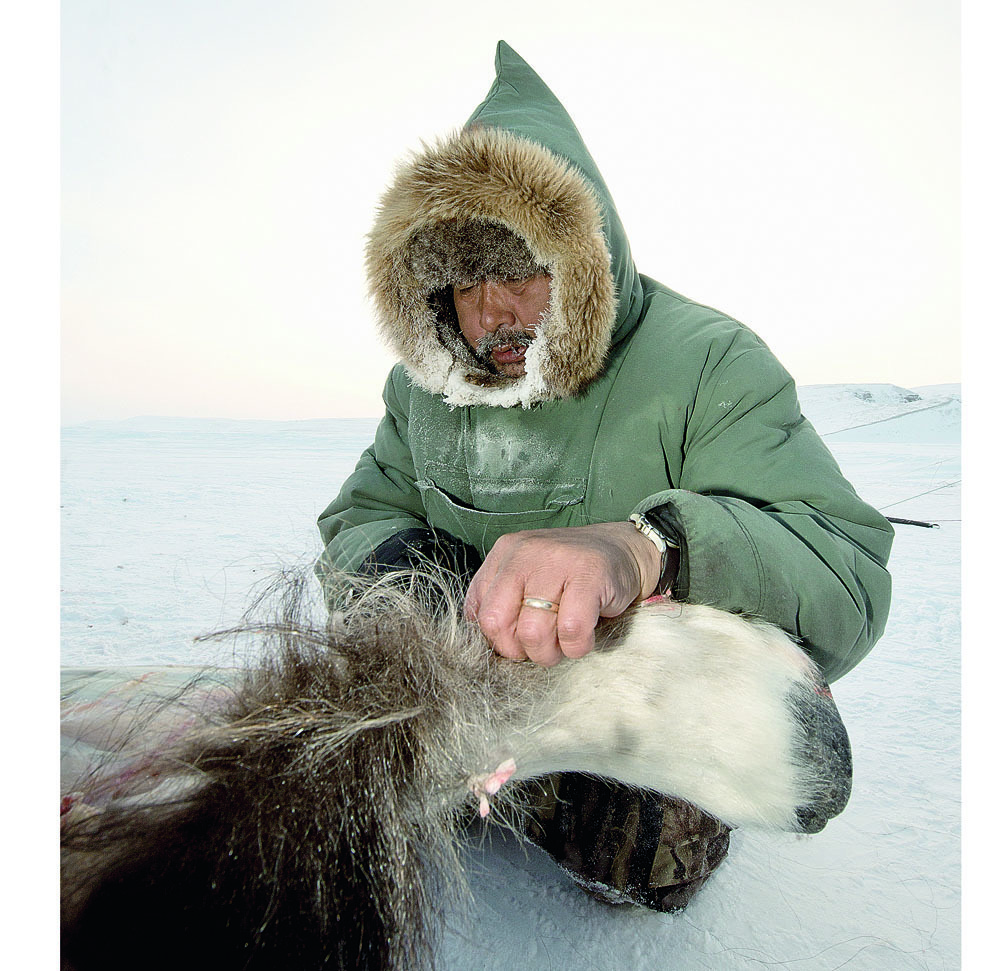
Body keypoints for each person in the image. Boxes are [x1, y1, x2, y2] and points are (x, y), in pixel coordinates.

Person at [318, 41, 893, 912]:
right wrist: (416, 583)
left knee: (652, 847)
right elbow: (360, 514)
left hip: (624, 700)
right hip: (466, 686)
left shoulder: (708, 362)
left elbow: (843, 568)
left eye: (521, 269)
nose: (496, 310)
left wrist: (646, 547)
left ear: (579, 258)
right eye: (466, 282)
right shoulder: (422, 390)